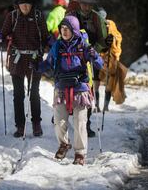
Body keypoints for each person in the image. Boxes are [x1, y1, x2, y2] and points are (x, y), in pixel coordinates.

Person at [38, 15, 103, 165]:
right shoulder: (57, 46)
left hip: (80, 88)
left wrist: (94, 55)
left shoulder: (83, 46)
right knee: (59, 121)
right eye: (62, 28)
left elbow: (99, 64)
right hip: (61, 87)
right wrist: (36, 66)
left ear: (74, 30)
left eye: (67, 29)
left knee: (80, 122)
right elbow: (48, 63)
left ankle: (80, 153)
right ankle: (64, 144)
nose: (64, 31)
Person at [0, 0, 49, 138]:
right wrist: (1, 38)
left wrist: (50, 43)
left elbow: (45, 37)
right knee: (18, 95)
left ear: (32, 5)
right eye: (22, 4)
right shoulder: (12, 17)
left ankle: (36, 124)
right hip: (17, 60)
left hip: (34, 60)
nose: (25, 7)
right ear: (17, 5)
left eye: (28, 4)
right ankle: (20, 126)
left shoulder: (39, 17)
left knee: (34, 94)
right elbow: (4, 35)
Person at [66, 0, 112, 137]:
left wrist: (99, 47)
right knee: (68, 88)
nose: (85, 7)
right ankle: (64, 117)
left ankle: (86, 124)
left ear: (92, 5)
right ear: (79, 3)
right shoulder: (71, 17)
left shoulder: (97, 18)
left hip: (89, 59)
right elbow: (64, 35)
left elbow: (102, 40)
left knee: (88, 92)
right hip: (71, 57)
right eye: (83, 4)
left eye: (89, 4)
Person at [97, 8, 127, 111]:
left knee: (109, 82)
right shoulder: (94, 24)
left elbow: (118, 37)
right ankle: (96, 105)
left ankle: (105, 106)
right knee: (96, 82)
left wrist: (112, 39)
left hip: (109, 57)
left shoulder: (110, 24)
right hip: (97, 57)